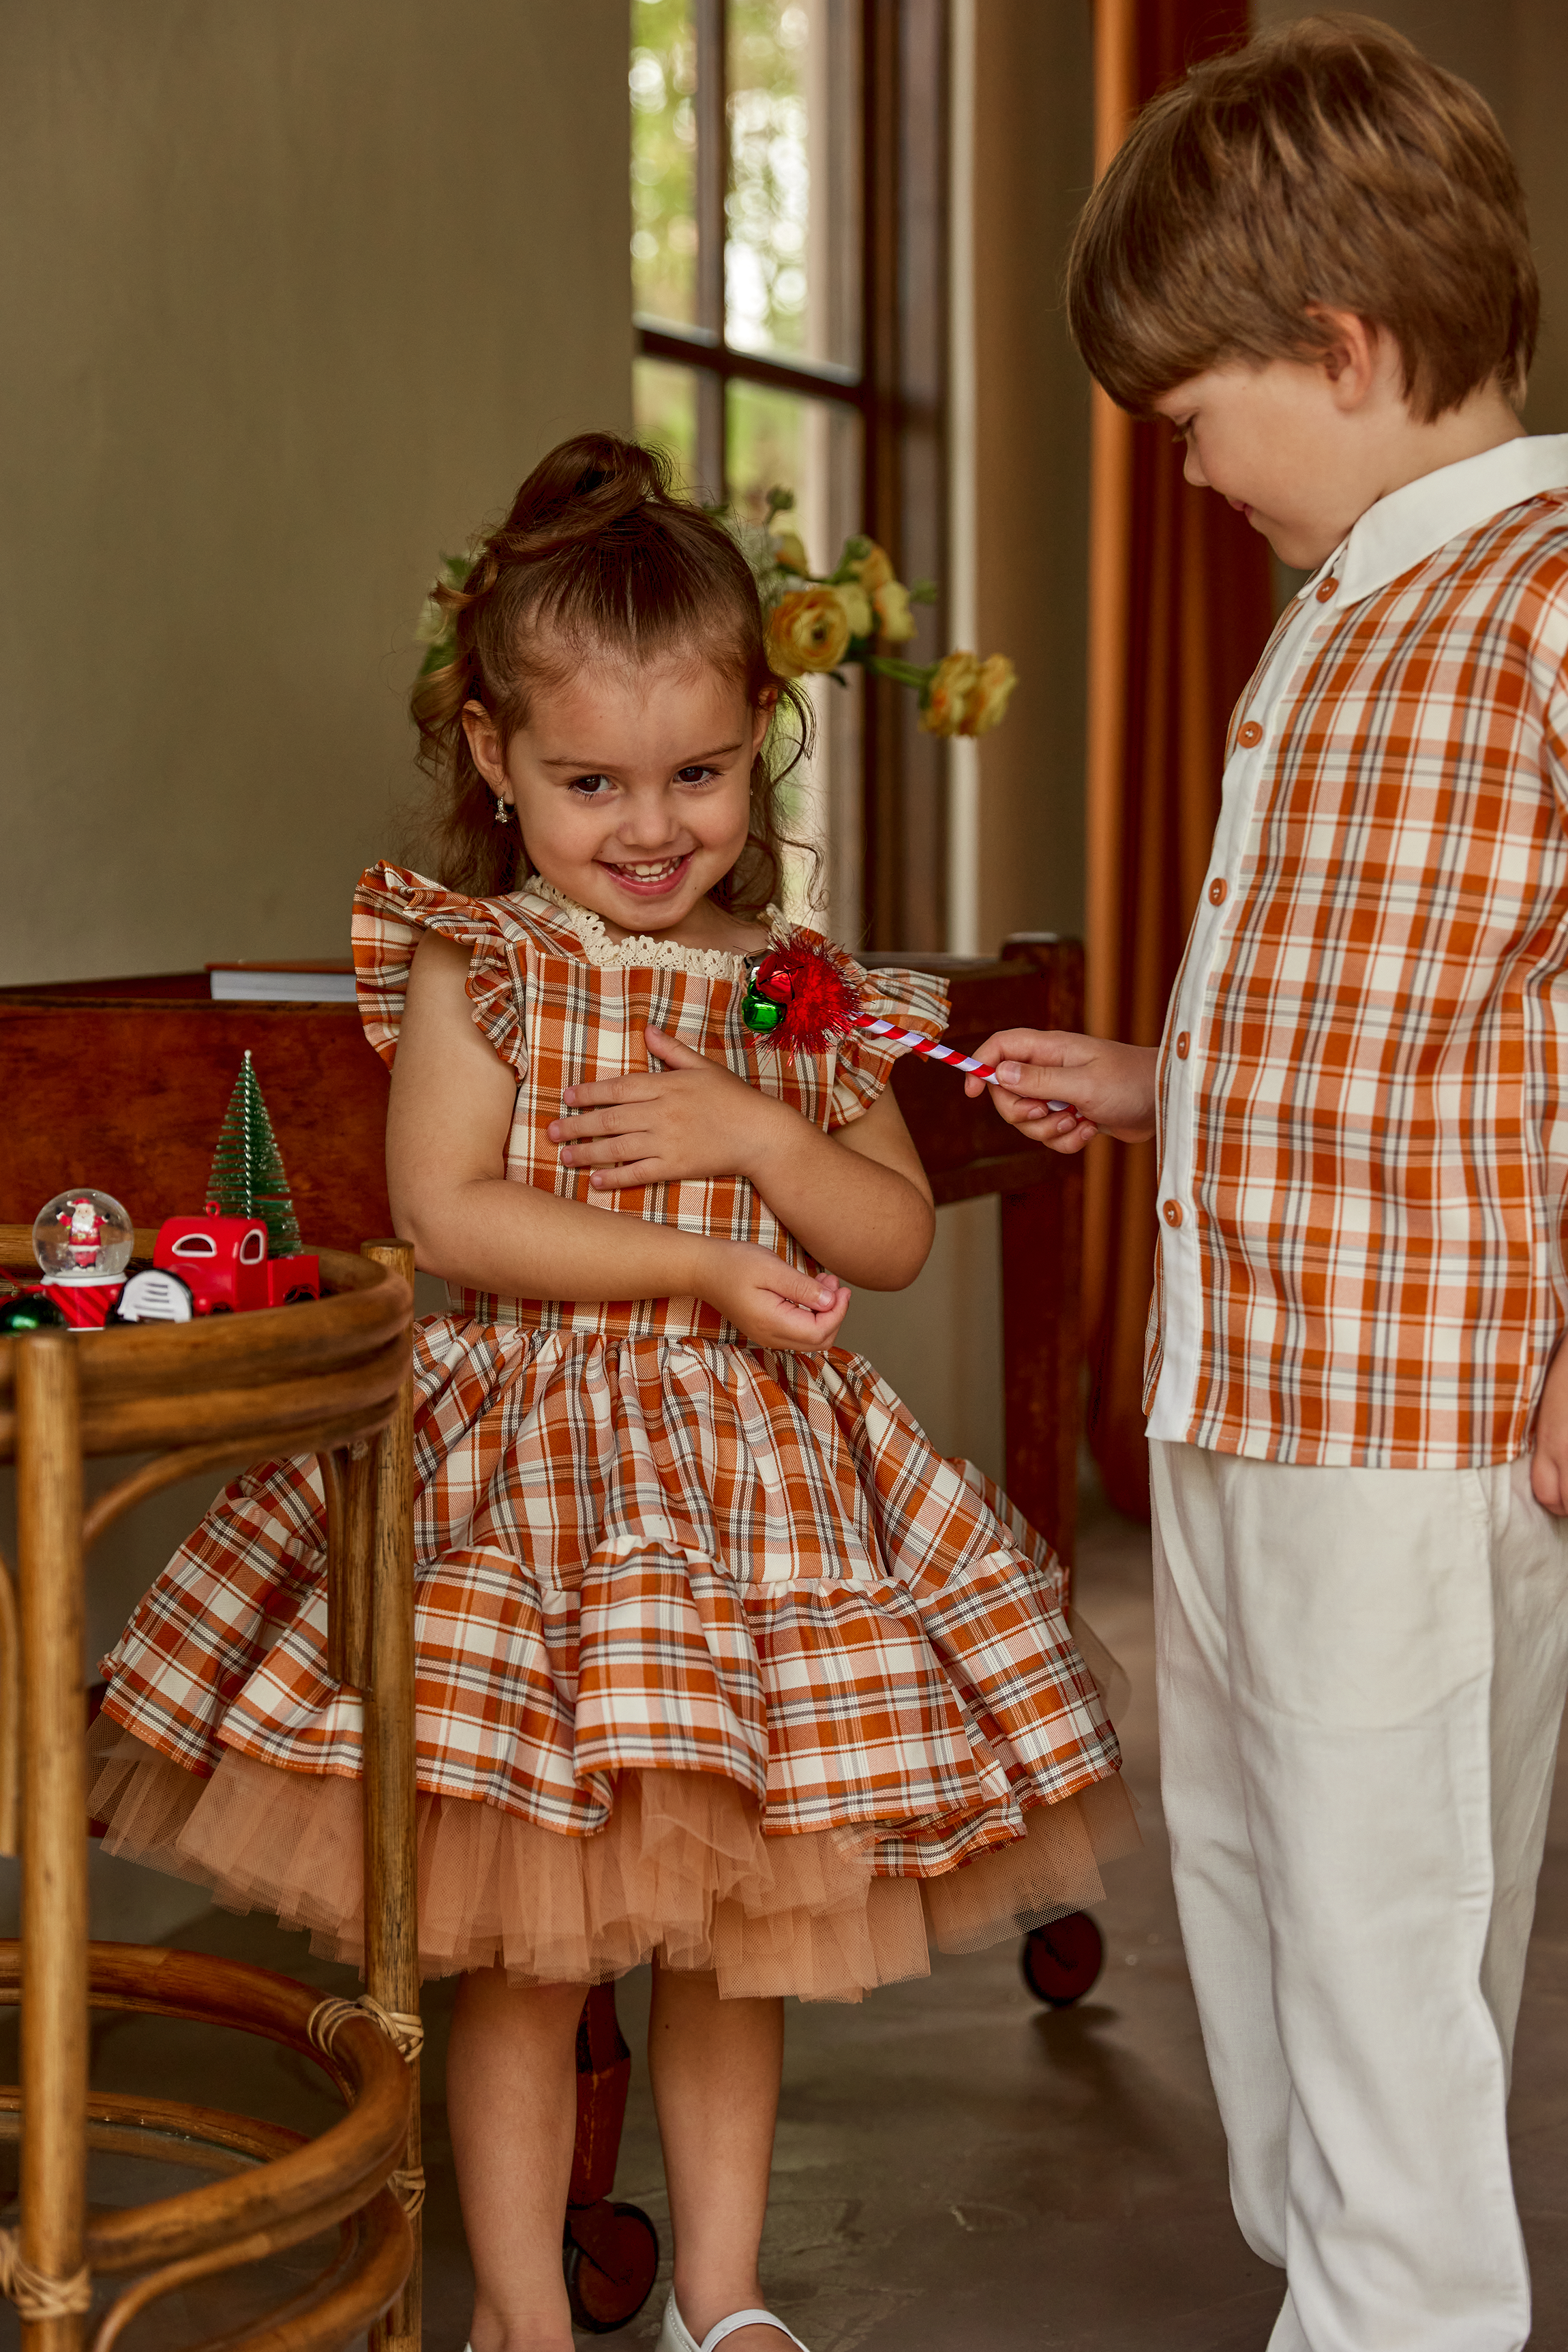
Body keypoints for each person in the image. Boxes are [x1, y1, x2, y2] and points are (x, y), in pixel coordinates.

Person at [89, 434, 1136, 2352]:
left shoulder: (797, 985)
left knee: (737, 1938)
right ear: (492, 758)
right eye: (590, 783)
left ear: (760, 737)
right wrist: (700, 1256)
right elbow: (447, 1209)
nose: (649, 829)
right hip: (535, 1494)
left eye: (699, 776)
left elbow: (892, 1232)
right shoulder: (481, 963)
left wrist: (758, 1129)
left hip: (755, 1512)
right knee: (524, 1947)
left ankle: (721, 2302)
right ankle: (521, 2314)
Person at [963, 18, 1568, 2351]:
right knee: (1256, 1891)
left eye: (1195, 414)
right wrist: (1155, 1077)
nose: (1188, 470)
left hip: (1410, 1432)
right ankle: (1326, 2284)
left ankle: (1394, 2312)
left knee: (1387, 1932)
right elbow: (1397, 1000)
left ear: (1341, 344)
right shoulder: (1339, 613)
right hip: (1240, 1392)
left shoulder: (1528, 594)